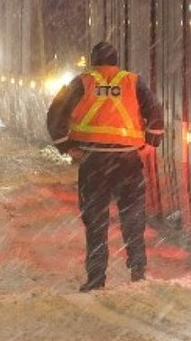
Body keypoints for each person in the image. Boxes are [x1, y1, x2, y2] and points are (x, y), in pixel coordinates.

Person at [46, 41, 163, 292]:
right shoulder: (133, 81)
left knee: (96, 221)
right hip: (128, 160)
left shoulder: (82, 81)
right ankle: (138, 270)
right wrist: (152, 140)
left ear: (93, 61)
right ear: (116, 61)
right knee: (132, 216)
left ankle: (96, 278)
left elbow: (55, 113)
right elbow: (154, 108)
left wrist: (66, 145)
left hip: (94, 162)